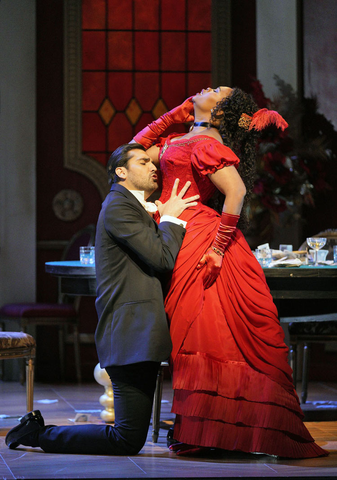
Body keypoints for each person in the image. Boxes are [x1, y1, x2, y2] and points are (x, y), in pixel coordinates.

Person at [131, 87, 328, 458]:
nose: (205, 88)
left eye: (215, 90)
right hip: (181, 232)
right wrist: (174, 115)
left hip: (205, 242)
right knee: (194, 336)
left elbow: (236, 192)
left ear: (220, 111)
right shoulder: (183, 136)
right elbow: (130, 155)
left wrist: (219, 248)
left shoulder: (207, 141)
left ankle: (220, 431)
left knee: (209, 335)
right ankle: (200, 429)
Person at [5, 143, 199, 455]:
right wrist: (172, 220)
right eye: (142, 162)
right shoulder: (118, 207)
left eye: (153, 162)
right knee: (126, 439)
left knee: (130, 437)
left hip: (140, 332)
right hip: (130, 334)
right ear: (121, 172)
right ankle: (38, 434)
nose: (153, 167)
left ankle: (39, 433)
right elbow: (162, 258)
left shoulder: (134, 208)